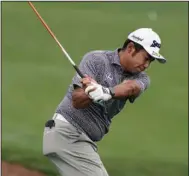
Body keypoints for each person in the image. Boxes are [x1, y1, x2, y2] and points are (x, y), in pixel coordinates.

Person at [42, 28, 166, 176]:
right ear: (131, 48)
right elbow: (77, 100)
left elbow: (131, 88)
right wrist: (91, 92)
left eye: (151, 61)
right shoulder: (96, 60)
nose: (147, 65)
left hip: (83, 141)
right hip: (67, 135)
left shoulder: (142, 78)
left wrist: (105, 92)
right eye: (146, 58)